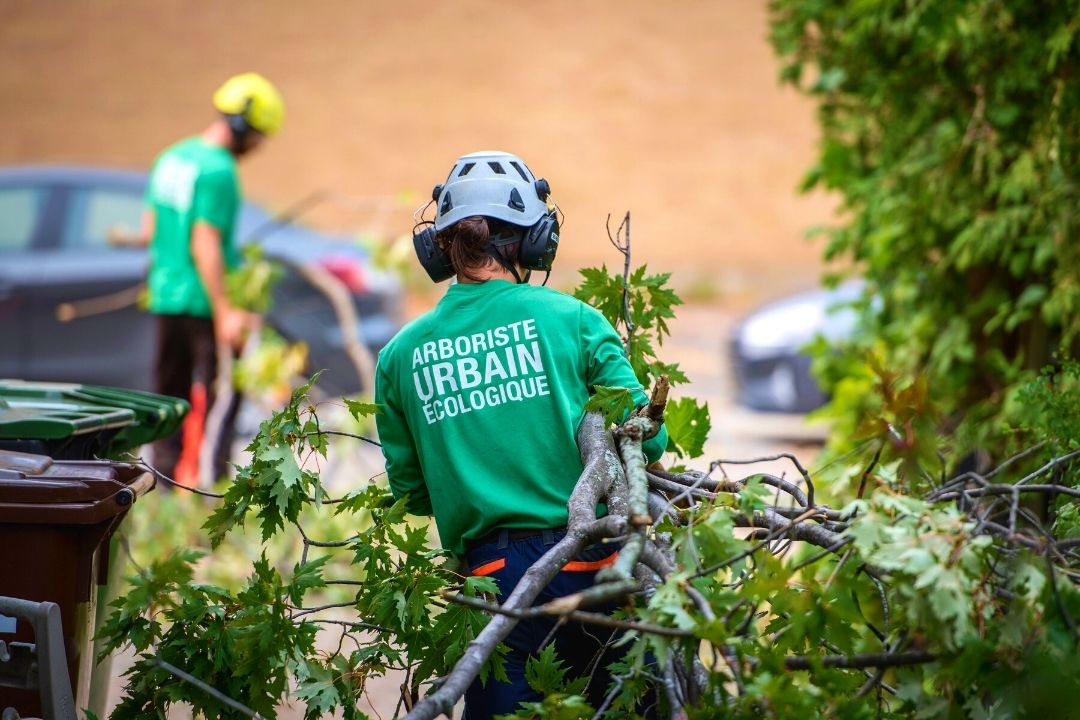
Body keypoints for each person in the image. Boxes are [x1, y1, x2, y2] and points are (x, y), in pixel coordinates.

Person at [374, 151, 668, 718]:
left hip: (495, 582)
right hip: (601, 562)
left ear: (439, 247)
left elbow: (411, 494)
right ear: (535, 241)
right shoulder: (576, 320)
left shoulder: (399, 355)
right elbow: (648, 441)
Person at [138, 72, 285, 486]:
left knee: (170, 401)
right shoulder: (219, 170)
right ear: (244, 127)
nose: (257, 148)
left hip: (166, 296)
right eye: (259, 138)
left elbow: (149, 231)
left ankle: (162, 497)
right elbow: (205, 241)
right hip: (204, 299)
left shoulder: (171, 158)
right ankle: (210, 500)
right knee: (221, 403)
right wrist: (225, 308)